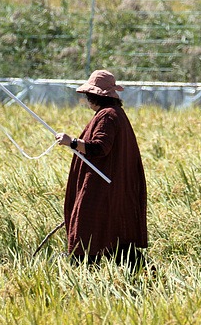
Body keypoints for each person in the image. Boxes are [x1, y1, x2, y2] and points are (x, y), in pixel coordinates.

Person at [54, 69, 148, 265]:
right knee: (116, 237)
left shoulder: (107, 117)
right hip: (111, 187)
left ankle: (80, 267)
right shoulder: (115, 114)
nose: (87, 100)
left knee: (89, 229)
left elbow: (99, 148)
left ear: (94, 96)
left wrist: (71, 141)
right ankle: (143, 273)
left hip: (101, 189)